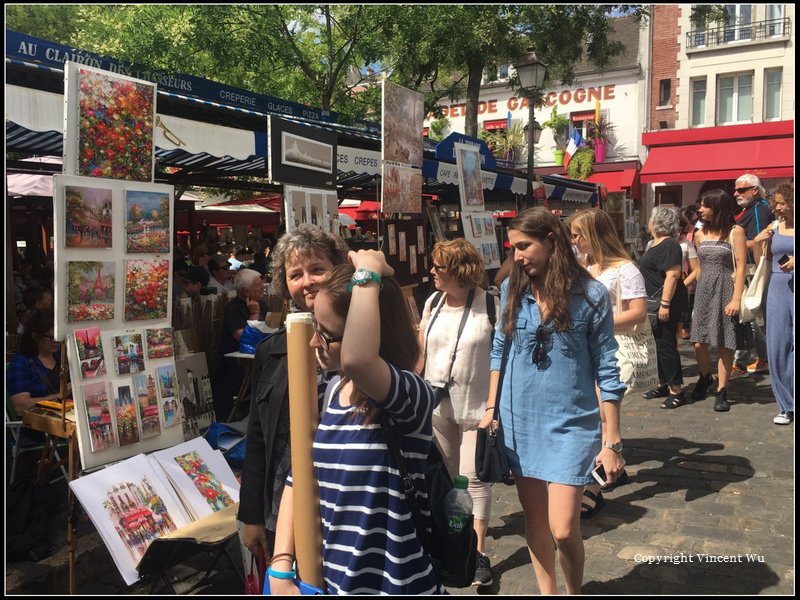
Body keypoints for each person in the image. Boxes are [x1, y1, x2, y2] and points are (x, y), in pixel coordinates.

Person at [270, 253, 445, 594]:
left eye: (327, 335)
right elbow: (301, 474)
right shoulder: (333, 390)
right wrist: (281, 562)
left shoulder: (409, 395)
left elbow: (358, 358)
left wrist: (369, 270)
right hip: (337, 585)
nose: (313, 343)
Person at [477, 208, 625, 595]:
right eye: (513, 248)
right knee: (536, 521)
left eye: (524, 246)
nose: (517, 256)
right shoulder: (513, 288)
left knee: (563, 527)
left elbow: (608, 370)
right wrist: (491, 409)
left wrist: (611, 441)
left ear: (552, 241)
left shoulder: (590, 295)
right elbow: (500, 349)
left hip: (571, 424)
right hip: (518, 419)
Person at [238, 224, 349, 563]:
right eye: (295, 274)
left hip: (343, 505)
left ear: (337, 272)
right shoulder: (271, 351)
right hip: (279, 506)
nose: (307, 282)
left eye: (317, 269)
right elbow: (257, 435)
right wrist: (252, 514)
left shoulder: (362, 343)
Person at [417, 239, 495, 585]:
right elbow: (421, 351)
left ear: (460, 271)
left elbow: (502, 358)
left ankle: (477, 553)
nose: (431, 271)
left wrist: (495, 405)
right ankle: (454, 544)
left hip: (477, 406)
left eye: (439, 266)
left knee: (471, 479)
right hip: (437, 405)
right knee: (447, 481)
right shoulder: (432, 302)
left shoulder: (489, 305)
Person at [569, 208, 646, 518]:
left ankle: (594, 486)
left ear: (594, 234)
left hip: (617, 349)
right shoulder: (584, 266)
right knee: (595, 413)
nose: (573, 240)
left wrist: (597, 322)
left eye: (578, 234)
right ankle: (613, 466)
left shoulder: (625, 269)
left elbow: (638, 313)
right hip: (589, 351)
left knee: (602, 413)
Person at [688, 189, 748, 413]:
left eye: (705, 205)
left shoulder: (735, 231)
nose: (700, 209)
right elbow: (700, 267)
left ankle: (722, 389)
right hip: (704, 290)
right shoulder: (699, 233)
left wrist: (736, 298)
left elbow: (741, 266)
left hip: (726, 288)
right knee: (698, 341)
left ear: (717, 207)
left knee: (724, 341)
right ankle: (705, 377)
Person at [752, 182, 794, 424]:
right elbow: (763, 263)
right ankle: (785, 404)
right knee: (778, 345)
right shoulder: (775, 226)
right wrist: (759, 242)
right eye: (776, 202)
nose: (777, 207)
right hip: (778, 287)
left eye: (782, 202)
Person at [639, 207, 689, 408]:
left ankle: (676, 390)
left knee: (666, 346)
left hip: (665, 302)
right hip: (653, 302)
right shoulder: (655, 243)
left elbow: (673, 275)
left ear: (656, 222)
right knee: (657, 346)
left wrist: (665, 304)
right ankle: (662, 383)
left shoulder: (669, 244)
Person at [731, 174, 774, 378]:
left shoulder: (759, 209)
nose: (736, 193)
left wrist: (734, 244)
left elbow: (760, 242)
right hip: (748, 269)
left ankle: (763, 359)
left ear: (754, 190)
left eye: (741, 190)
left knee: (753, 314)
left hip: (752, 270)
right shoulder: (750, 209)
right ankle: (756, 358)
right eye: (736, 190)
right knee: (751, 316)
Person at [211, 269, 268, 420]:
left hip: (258, 361)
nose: (262, 287)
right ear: (246, 291)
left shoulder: (263, 304)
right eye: (258, 285)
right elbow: (243, 338)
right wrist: (254, 315)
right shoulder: (233, 309)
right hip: (235, 368)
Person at [7, 311, 69, 419]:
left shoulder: (60, 356)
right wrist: (59, 396)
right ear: (35, 336)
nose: (56, 342)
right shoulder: (21, 363)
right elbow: (20, 407)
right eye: (51, 338)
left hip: (66, 417)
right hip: (39, 425)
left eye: (58, 337)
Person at [677, 215, 700, 340]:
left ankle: (683, 329)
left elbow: (696, 269)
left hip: (680, 286)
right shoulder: (652, 243)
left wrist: (682, 285)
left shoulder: (686, 245)